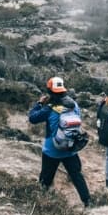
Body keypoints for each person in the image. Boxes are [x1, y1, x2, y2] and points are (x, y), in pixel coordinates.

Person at [27, 76, 92, 206]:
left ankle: (40, 201)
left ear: (50, 92)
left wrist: (39, 103)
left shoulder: (49, 108)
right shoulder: (74, 106)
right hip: (70, 148)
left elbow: (32, 118)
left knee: (45, 179)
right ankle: (88, 201)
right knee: (77, 176)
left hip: (52, 150)